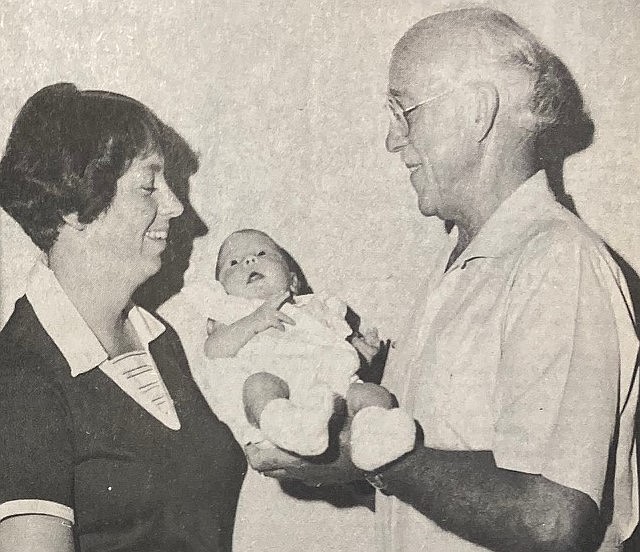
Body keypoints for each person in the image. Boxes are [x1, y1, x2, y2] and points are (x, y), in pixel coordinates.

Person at [246, 8, 639, 552]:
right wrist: (341, 460)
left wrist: (378, 458)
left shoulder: (559, 263)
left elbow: (552, 522)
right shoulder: (459, 265)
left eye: (404, 112)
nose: (392, 140)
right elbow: (454, 485)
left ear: (477, 112)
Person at [0, 83, 246, 551]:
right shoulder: (19, 377)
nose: (175, 207)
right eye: (149, 186)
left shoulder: (160, 340)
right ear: (74, 205)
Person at [158, 228, 413, 552]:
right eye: (232, 262)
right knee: (258, 386)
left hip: (331, 386)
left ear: (292, 281)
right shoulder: (230, 314)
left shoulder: (317, 307)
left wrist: (366, 352)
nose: (249, 260)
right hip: (281, 385)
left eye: (263, 254)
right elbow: (215, 350)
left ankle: (377, 431)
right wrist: (254, 320)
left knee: (372, 393)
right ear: (223, 291)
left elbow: (342, 345)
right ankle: (287, 423)